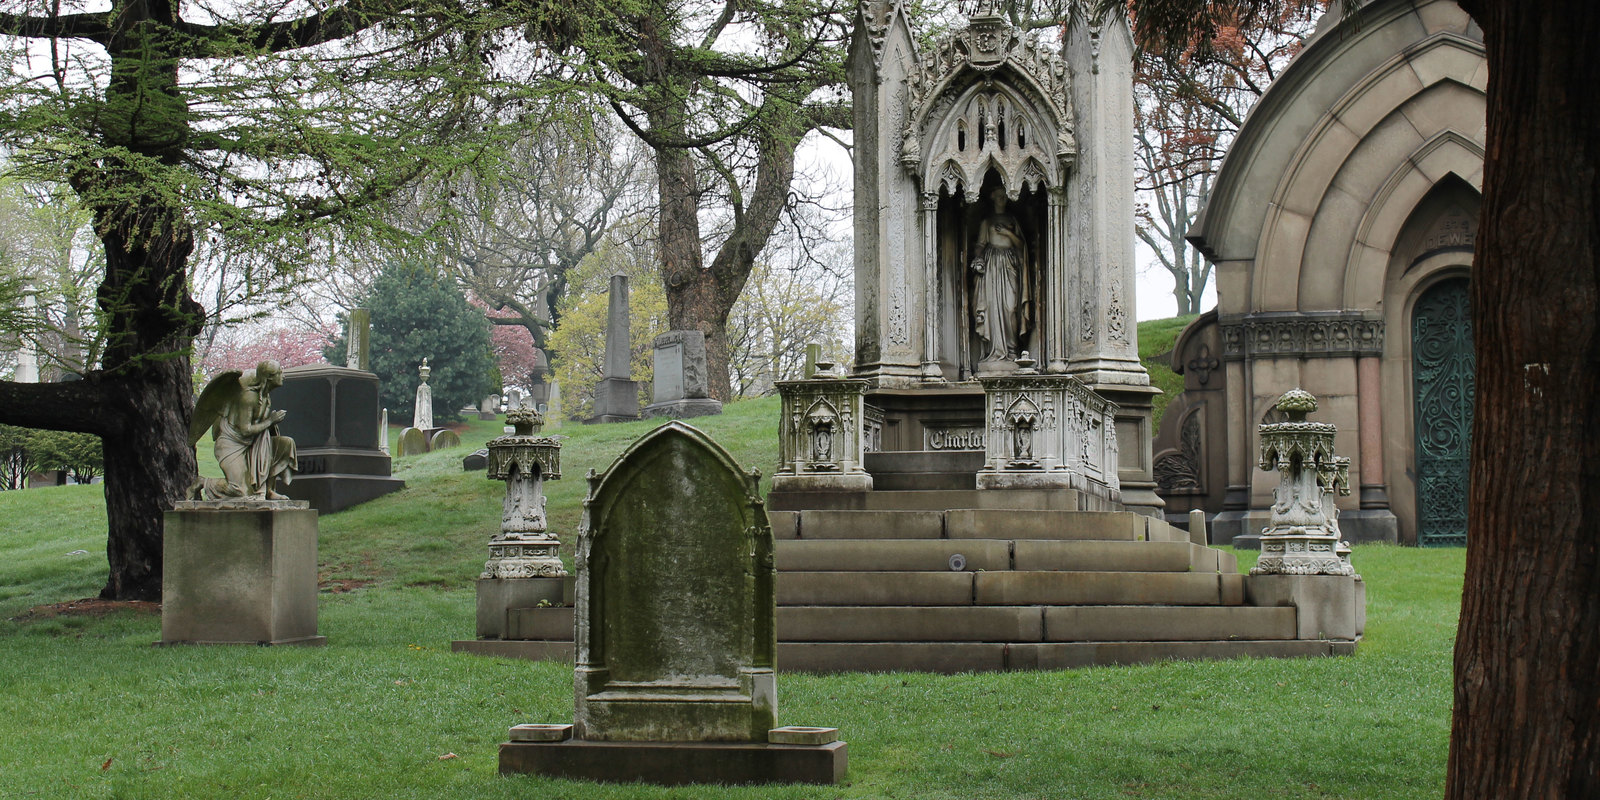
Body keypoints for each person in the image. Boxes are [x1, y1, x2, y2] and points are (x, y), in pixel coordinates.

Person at [190, 361, 297, 500]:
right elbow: (245, 430)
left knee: (286, 444)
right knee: (240, 491)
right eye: (280, 373)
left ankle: (267, 491)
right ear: (269, 378)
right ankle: (203, 482)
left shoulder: (265, 395)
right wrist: (270, 421)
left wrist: (270, 423)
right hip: (231, 444)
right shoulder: (249, 397)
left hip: (253, 443)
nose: (284, 376)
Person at [970, 189, 1031, 363]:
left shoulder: (1013, 220)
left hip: (1010, 264)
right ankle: (994, 351)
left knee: (1010, 308)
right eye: (998, 195)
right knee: (992, 306)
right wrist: (979, 259)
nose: (1002, 198)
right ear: (992, 198)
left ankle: (1011, 350)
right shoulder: (986, 222)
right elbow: (980, 245)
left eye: (1004, 195)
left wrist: (1007, 233)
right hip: (992, 266)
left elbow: (1021, 245)